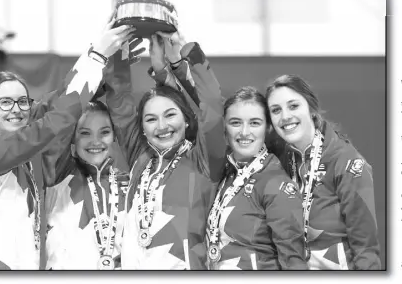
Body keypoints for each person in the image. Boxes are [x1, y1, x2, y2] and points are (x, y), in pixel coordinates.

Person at [0, 21, 130, 270]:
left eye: (23, 101)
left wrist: (108, 62)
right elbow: (52, 121)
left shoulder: (30, 158)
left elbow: (59, 99)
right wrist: (97, 55)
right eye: (4, 102)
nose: (16, 109)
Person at [107, 23, 226, 269]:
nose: (161, 126)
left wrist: (186, 54)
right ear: (141, 128)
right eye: (151, 119)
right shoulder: (140, 158)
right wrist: (119, 50)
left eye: (170, 115)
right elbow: (119, 102)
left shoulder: (203, 161)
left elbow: (213, 106)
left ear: (186, 118)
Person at [42, 35, 143, 270]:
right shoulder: (58, 173)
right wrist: (97, 63)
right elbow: (60, 110)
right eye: (85, 133)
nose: (95, 141)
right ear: (72, 139)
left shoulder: (130, 185)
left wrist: (119, 74)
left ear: (115, 135)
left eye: (104, 131)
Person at [266, 74, 381, 270]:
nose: (285, 116)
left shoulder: (346, 162)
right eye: (276, 110)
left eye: (293, 106)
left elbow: (366, 250)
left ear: (311, 108)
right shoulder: (279, 157)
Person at [206, 86, 308, 270]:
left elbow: (294, 263)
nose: (244, 132)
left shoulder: (276, 184)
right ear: (225, 129)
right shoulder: (227, 174)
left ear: (268, 128)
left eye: (254, 123)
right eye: (236, 122)